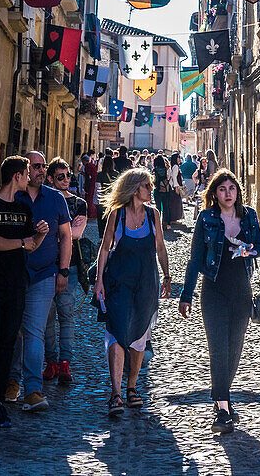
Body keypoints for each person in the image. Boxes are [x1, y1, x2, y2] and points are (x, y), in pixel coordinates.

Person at [179, 169, 260, 434]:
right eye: (222, 189)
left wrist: (246, 249)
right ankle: (223, 408)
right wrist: (186, 294)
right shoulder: (206, 219)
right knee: (218, 349)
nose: (228, 193)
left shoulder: (249, 216)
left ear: (237, 192)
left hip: (241, 289)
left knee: (234, 350)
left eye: (231, 188)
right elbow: (195, 259)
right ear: (214, 194)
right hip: (213, 290)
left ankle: (222, 396)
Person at [0, 156, 48, 427]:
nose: (29, 177)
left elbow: (30, 246)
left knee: (7, 343)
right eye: (27, 172)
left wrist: (40, 235)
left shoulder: (24, 208)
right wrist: (23, 241)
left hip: (16, 284)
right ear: (16, 175)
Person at [94, 169, 171, 416]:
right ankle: (116, 393)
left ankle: (131, 387)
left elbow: (160, 247)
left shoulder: (153, 215)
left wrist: (167, 277)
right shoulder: (116, 215)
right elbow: (105, 249)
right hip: (119, 281)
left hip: (146, 282)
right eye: (148, 186)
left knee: (140, 333)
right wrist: (99, 282)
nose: (151, 189)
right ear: (136, 189)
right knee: (116, 330)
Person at [6, 151, 72, 411]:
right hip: (14, 273)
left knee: (34, 331)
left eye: (43, 166)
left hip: (44, 274)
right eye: (35, 166)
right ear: (25, 170)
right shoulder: (14, 196)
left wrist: (63, 271)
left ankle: (33, 390)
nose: (41, 170)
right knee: (14, 330)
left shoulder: (55, 199)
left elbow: (66, 236)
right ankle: (12, 380)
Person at [43, 158, 88, 385]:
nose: (66, 180)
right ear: (51, 178)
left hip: (68, 266)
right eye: (61, 177)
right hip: (45, 266)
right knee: (48, 316)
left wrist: (55, 230)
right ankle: (51, 361)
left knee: (66, 315)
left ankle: (65, 363)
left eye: (68, 175)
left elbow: (76, 234)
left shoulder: (79, 203)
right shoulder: (44, 200)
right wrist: (63, 230)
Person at [96, 149, 118, 238]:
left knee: (102, 220)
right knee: (113, 219)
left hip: (102, 200)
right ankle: (112, 237)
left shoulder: (100, 175)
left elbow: (97, 188)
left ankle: (102, 237)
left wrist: (96, 201)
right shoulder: (116, 174)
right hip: (113, 200)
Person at [168, 152, 184, 224]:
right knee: (175, 203)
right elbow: (174, 177)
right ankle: (174, 219)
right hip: (174, 187)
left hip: (173, 187)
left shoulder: (175, 166)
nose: (179, 159)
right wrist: (176, 187)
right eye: (178, 157)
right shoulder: (175, 166)